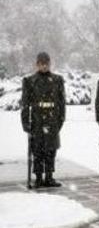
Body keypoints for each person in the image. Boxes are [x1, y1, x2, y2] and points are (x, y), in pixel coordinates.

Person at [20, 52, 65, 188]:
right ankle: (39, 177)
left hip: (52, 120)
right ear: (37, 64)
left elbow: (61, 103)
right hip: (37, 119)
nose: (44, 66)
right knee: (38, 151)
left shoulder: (57, 80)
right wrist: (26, 123)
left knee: (51, 150)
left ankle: (49, 177)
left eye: (46, 63)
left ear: (50, 63)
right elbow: (25, 105)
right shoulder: (30, 81)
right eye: (41, 63)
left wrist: (60, 121)